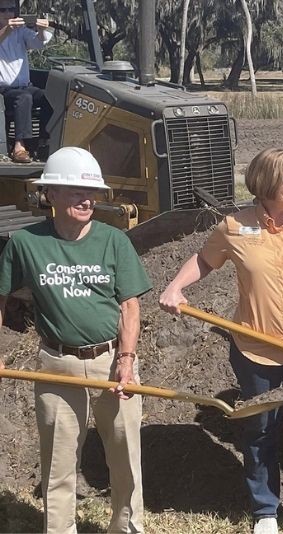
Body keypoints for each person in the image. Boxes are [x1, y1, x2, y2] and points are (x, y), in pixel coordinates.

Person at [159, 149, 283, 534]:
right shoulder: (234, 227)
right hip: (256, 352)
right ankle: (265, 512)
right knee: (259, 433)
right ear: (266, 183)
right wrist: (176, 287)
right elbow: (204, 260)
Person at [0, 147, 151, 533]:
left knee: (125, 458)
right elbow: (2, 299)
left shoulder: (114, 241)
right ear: (50, 194)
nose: (87, 200)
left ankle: (127, 527)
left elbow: (129, 305)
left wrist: (127, 360)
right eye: (75, 192)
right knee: (59, 463)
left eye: (92, 194)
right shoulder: (26, 244)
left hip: (112, 362)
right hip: (56, 365)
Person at [0, 1, 53, 163]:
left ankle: (44, 142)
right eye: (3, 10)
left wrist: (42, 30)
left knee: (50, 97)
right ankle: (19, 146)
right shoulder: (8, 31)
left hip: (24, 86)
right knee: (24, 98)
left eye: (12, 9)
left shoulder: (21, 31)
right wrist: (8, 29)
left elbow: (38, 43)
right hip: (4, 91)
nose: (8, 13)